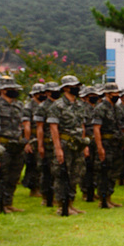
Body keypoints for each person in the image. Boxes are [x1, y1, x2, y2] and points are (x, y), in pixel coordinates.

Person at [46, 75, 88, 216]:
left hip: (78, 145)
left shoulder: (80, 104)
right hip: (64, 144)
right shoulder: (57, 106)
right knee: (62, 174)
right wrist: (58, 149)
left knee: (75, 174)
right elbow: (53, 128)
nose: (77, 88)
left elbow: (82, 125)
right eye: (73, 86)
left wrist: (84, 144)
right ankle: (61, 205)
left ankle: (71, 203)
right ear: (65, 88)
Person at [0, 77, 28, 214]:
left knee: (14, 175)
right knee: (2, 175)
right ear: (3, 90)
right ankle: (0, 205)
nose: (14, 92)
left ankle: (9, 202)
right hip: (3, 144)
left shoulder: (19, 105)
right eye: (11, 90)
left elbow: (22, 124)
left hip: (17, 145)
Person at [91, 82, 124, 208]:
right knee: (103, 172)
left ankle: (109, 198)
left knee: (113, 172)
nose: (116, 95)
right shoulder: (100, 108)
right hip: (105, 144)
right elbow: (96, 129)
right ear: (107, 94)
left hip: (115, 144)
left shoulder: (117, 108)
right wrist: (100, 148)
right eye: (114, 93)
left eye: (117, 93)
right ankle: (103, 200)